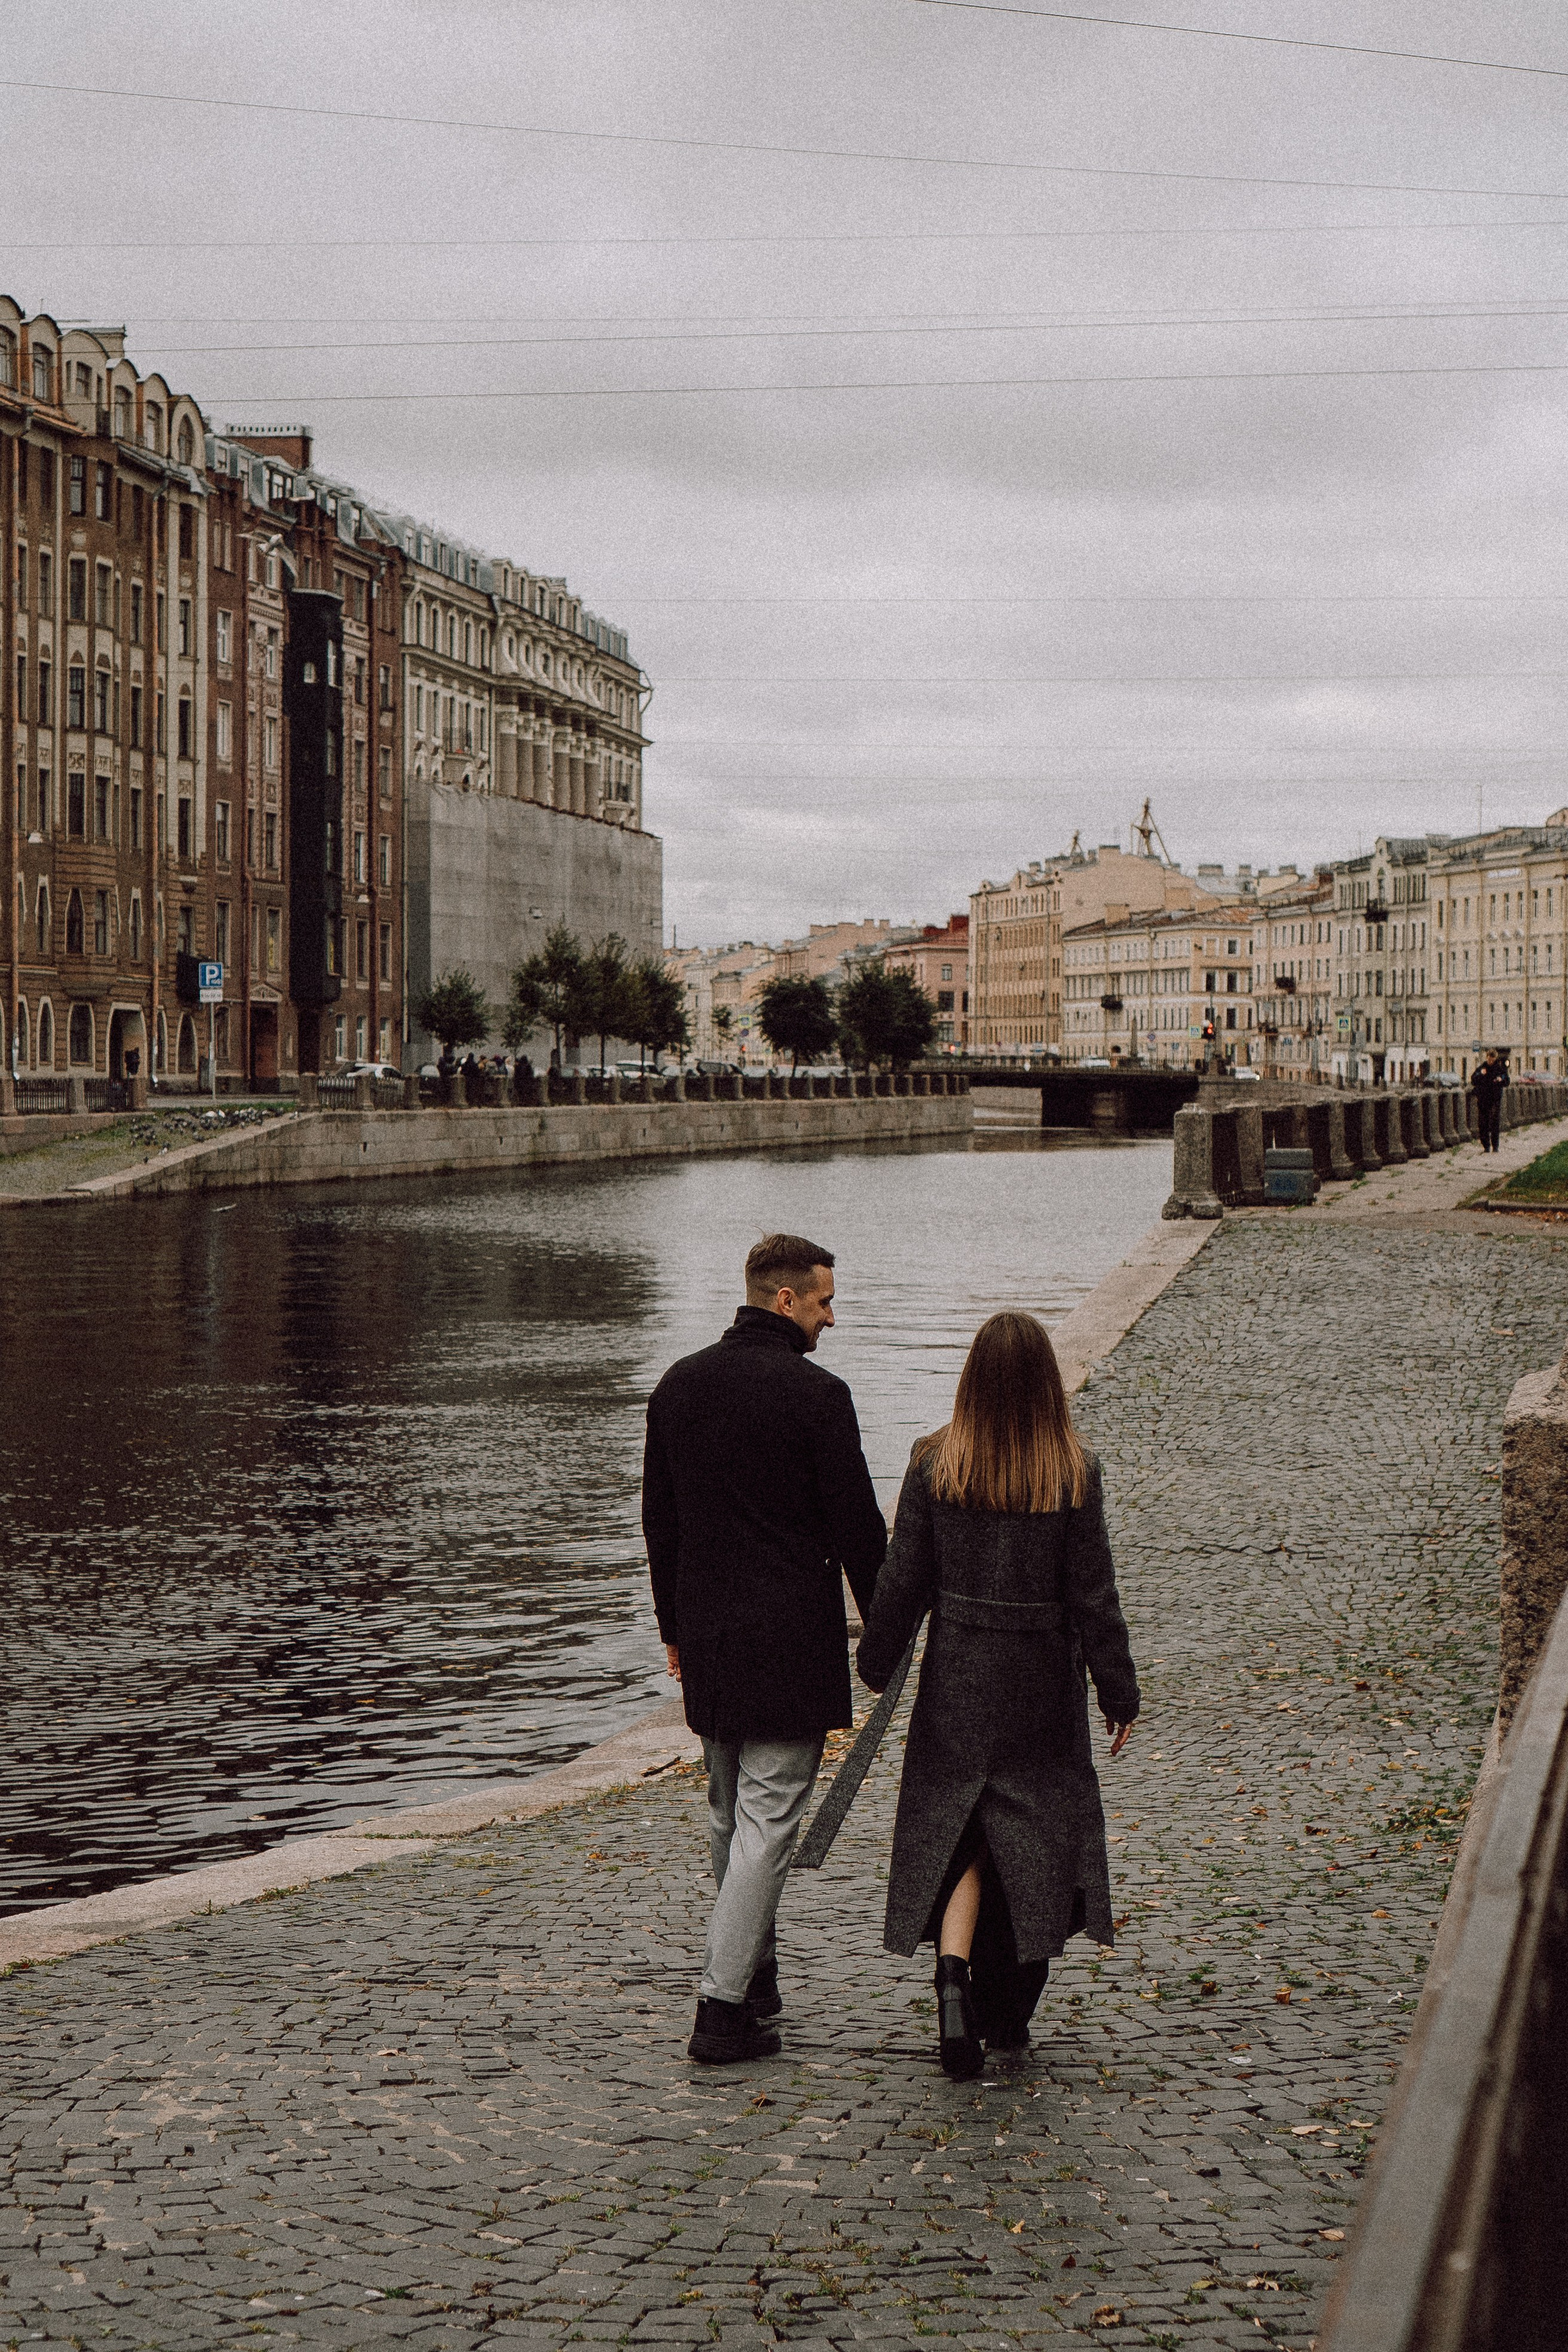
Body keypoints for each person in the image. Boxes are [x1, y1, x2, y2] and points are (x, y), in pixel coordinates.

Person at [856, 1312, 1139, 2081]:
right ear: (1048, 1383)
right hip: (1040, 1683)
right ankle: (1007, 2013)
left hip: (957, 1675)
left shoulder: (932, 1462)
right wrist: (1119, 1690)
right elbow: (1093, 1594)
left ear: (971, 1378)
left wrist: (875, 1665)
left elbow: (901, 1580)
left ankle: (952, 1976)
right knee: (1030, 1838)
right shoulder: (1072, 1469)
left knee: (964, 1828)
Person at [643, 1233, 888, 2065]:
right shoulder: (818, 1397)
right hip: (788, 1638)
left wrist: (672, 1629)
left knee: (727, 1813)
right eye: (823, 1303)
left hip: (709, 1634)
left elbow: (660, 1523)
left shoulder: (677, 1387)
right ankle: (719, 2008)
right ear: (785, 1300)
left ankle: (755, 1976)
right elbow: (858, 1528)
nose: (829, 1319)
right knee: (768, 1819)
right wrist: (887, 1632)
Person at [1472, 1049, 1507, 1153]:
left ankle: (1495, 1146)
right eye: (1489, 1059)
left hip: (1495, 1099)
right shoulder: (1482, 1067)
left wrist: (1501, 1079)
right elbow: (1473, 1079)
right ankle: (1486, 1146)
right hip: (1483, 1099)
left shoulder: (1500, 1068)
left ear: (1495, 1059)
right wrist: (1480, 1074)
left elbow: (1507, 1080)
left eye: (1493, 1060)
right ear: (1487, 1057)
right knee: (1483, 1123)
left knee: (1495, 1123)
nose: (1491, 1062)